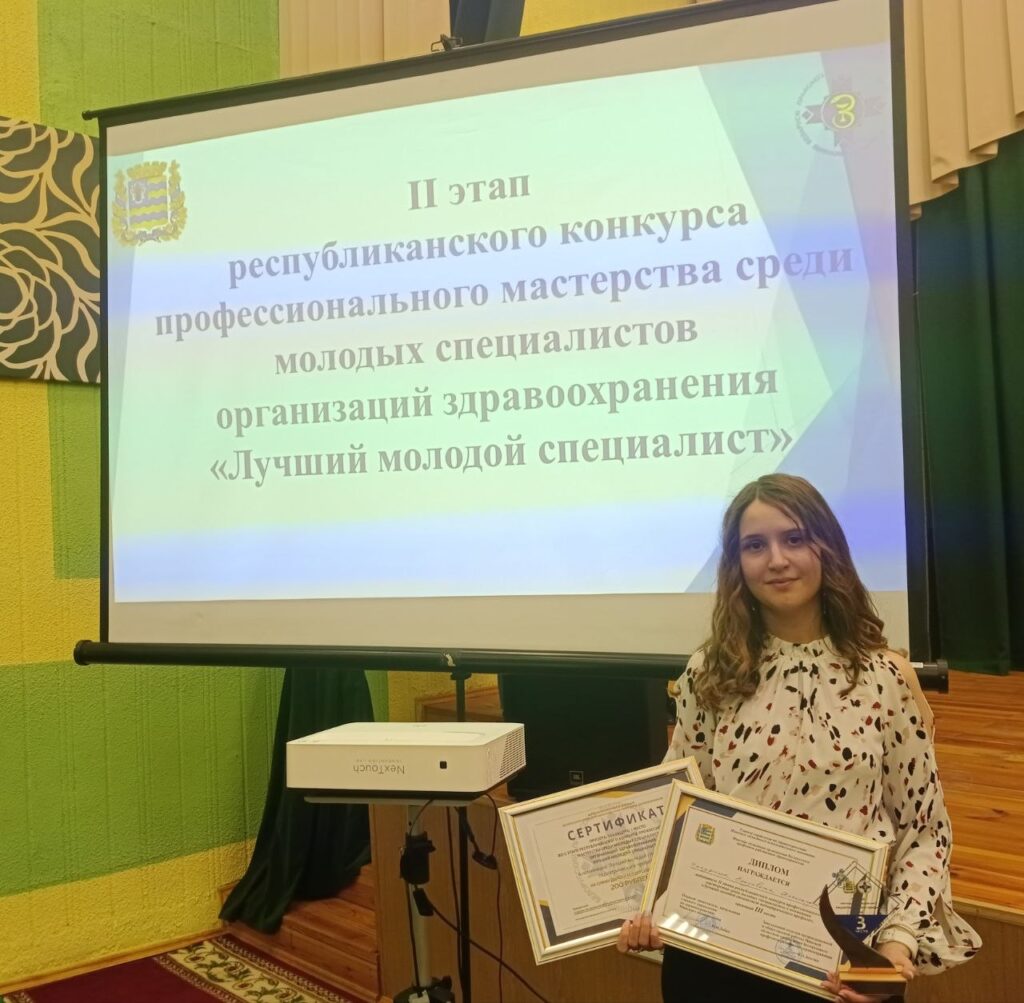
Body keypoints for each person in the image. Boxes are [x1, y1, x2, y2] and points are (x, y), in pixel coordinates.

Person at [616, 474, 980, 1002]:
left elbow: (925, 832)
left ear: (826, 547)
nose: (777, 560)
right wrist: (647, 903)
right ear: (736, 564)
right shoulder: (709, 673)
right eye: (754, 545)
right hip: (718, 951)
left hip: (847, 960)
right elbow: (677, 806)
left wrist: (894, 947)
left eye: (794, 538)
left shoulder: (886, 677)